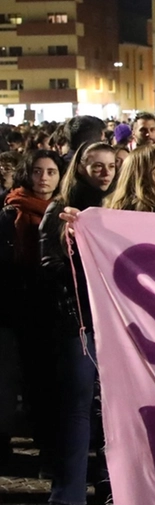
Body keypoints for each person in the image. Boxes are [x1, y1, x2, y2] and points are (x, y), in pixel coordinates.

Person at [32, 142, 118, 505]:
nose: (104, 172)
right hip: (79, 322)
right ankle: (67, 494)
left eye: (111, 165)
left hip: (118, 322)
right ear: (80, 166)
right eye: (95, 165)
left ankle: (111, 482)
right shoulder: (62, 207)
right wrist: (71, 248)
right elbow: (49, 263)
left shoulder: (121, 205)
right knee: (79, 404)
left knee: (114, 407)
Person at [0, 150, 66, 483]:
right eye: (38, 171)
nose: (44, 178)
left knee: (48, 386)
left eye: (51, 172)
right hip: (15, 310)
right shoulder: (10, 212)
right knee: (15, 383)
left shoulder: (67, 212)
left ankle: (50, 452)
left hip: (51, 310)